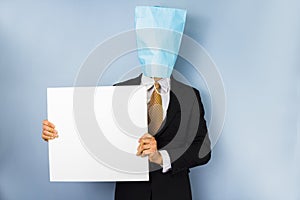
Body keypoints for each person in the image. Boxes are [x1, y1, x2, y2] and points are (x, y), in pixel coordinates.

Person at [42, 6, 211, 200]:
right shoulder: (118, 92)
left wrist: (161, 157)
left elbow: (203, 149)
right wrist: (58, 135)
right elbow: (93, 134)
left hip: (174, 193)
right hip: (130, 194)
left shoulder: (189, 95)